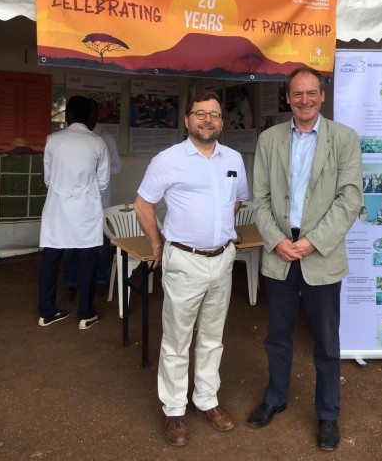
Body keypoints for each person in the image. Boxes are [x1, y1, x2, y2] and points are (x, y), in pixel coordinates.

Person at [247, 68, 362, 452]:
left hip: (320, 252)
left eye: (311, 93)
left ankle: (328, 413)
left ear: (322, 96)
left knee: (326, 341)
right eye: (297, 94)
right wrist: (277, 239)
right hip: (280, 250)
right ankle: (275, 398)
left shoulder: (344, 139)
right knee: (277, 336)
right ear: (288, 98)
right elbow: (259, 199)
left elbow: (350, 199)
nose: (305, 100)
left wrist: (313, 241)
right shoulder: (269, 139)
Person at [133, 92, 249, 447]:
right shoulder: (168, 160)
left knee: (213, 338)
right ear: (187, 120)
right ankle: (173, 410)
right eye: (200, 113)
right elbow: (143, 204)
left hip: (222, 259)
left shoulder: (233, 158)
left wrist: (217, 231)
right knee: (177, 341)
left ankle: (207, 400)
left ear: (222, 122)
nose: (208, 120)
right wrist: (157, 246)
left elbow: (238, 198)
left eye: (214, 114)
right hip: (184, 260)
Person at [38, 95, 110, 329]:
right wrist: (82, 193)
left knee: (50, 260)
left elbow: (48, 179)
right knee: (87, 260)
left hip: (57, 209)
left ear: (67, 115)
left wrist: (64, 190)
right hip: (85, 211)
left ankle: (47, 312)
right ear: (91, 116)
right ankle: (85, 313)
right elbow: (103, 183)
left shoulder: (52, 140)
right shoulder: (98, 143)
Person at [62, 98, 123, 300]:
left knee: (101, 245)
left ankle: (101, 280)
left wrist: (93, 172)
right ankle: (71, 282)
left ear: (95, 115)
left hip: (98, 202)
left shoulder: (106, 138)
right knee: (71, 244)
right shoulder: (71, 137)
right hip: (73, 201)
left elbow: (117, 167)